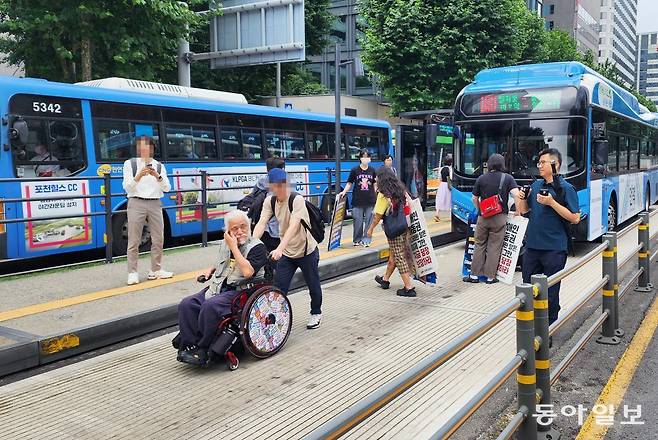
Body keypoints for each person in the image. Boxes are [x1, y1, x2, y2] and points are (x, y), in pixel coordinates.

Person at [176, 209, 268, 365]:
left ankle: (203, 347)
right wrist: (211, 270)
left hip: (242, 289)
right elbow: (224, 262)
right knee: (187, 304)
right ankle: (189, 343)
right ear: (228, 231)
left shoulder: (257, 247)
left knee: (210, 306)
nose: (240, 231)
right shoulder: (225, 244)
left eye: (243, 226)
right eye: (235, 228)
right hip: (220, 285)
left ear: (249, 226)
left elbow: (247, 272)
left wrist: (234, 247)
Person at [254, 168, 323, 329]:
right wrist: (250, 243)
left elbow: (294, 226)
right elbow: (261, 223)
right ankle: (275, 316)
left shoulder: (296, 199)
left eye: (283, 184)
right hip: (287, 252)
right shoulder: (270, 201)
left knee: (313, 284)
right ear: (271, 186)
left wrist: (279, 248)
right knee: (279, 286)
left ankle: (316, 312)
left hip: (306, 251)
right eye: (276, 185)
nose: (280, 188)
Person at [518, 148, 580, 327]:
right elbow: (524, 212)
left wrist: (552, 202)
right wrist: (522, 198)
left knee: (550, 291)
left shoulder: (566, 189)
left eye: (543, 163)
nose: (540, 166)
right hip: (532, 248)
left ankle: (548, 328)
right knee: (528, 288)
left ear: (556, 165)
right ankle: (530, 327)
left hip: (554, 249)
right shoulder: (536, 185)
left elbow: (575, 217)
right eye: (538, 163)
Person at [122, 135, 172, 285]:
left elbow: (167, 188)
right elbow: (126, 187)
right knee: (134, 240)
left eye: (146, 146)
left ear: (151, 148)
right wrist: (138, 176)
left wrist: (157, 176)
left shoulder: (158, 166)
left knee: (158, 238)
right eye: (140, 146)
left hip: (155, 203)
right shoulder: (130, 164)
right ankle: (132, 272)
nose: (142, 149)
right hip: (136, 202)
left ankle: (155, 270)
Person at [466, 153, 521, 284]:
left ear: (489, 164)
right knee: (494, 246)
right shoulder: (508, 178)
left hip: (483, 217)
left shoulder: (481, 178)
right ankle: (490, 277)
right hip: (500, 217)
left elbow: (474, 198)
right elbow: (516, 194)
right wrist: (518, 211)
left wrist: (481, 209)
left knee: (479, 244)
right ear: (502, 164)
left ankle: (474, 276)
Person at [366, 168, 416, 297]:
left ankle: (408, 287)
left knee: (399, 256)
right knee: (394, 254)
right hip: (405, 226)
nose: (375, 179)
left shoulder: (383, 194)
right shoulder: (400, 190)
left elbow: (377, 216)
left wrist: (370, 229)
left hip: (394, 229)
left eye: (377, 177)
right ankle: (385, 280)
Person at [340, 149, 377, 247]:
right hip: (357, 200)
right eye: (363, 156)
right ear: (360, 158)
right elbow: (349, 183)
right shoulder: (354, 170)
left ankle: (366, 240)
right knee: (358, 221)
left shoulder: (372, 170)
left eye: (367, 156)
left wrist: (376, 196)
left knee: (369, 222)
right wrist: (344, 192)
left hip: (370, 200)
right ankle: (357, 239)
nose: (365, 158)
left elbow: (375, 184)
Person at [250, 157, 286, 253]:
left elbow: (252, 196)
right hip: (277, 229)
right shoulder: (282, 185)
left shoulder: (261, 182)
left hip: (263, 228)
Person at [434, 154, 453, 222]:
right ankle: (451, 216)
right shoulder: (450, 169)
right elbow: (451, 178)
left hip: (442, 185)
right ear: (451, 162)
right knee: (450, 199)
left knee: (440, 199)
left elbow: (439, 178)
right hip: (448, 185)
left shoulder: (441, 169)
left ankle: (437, 214)